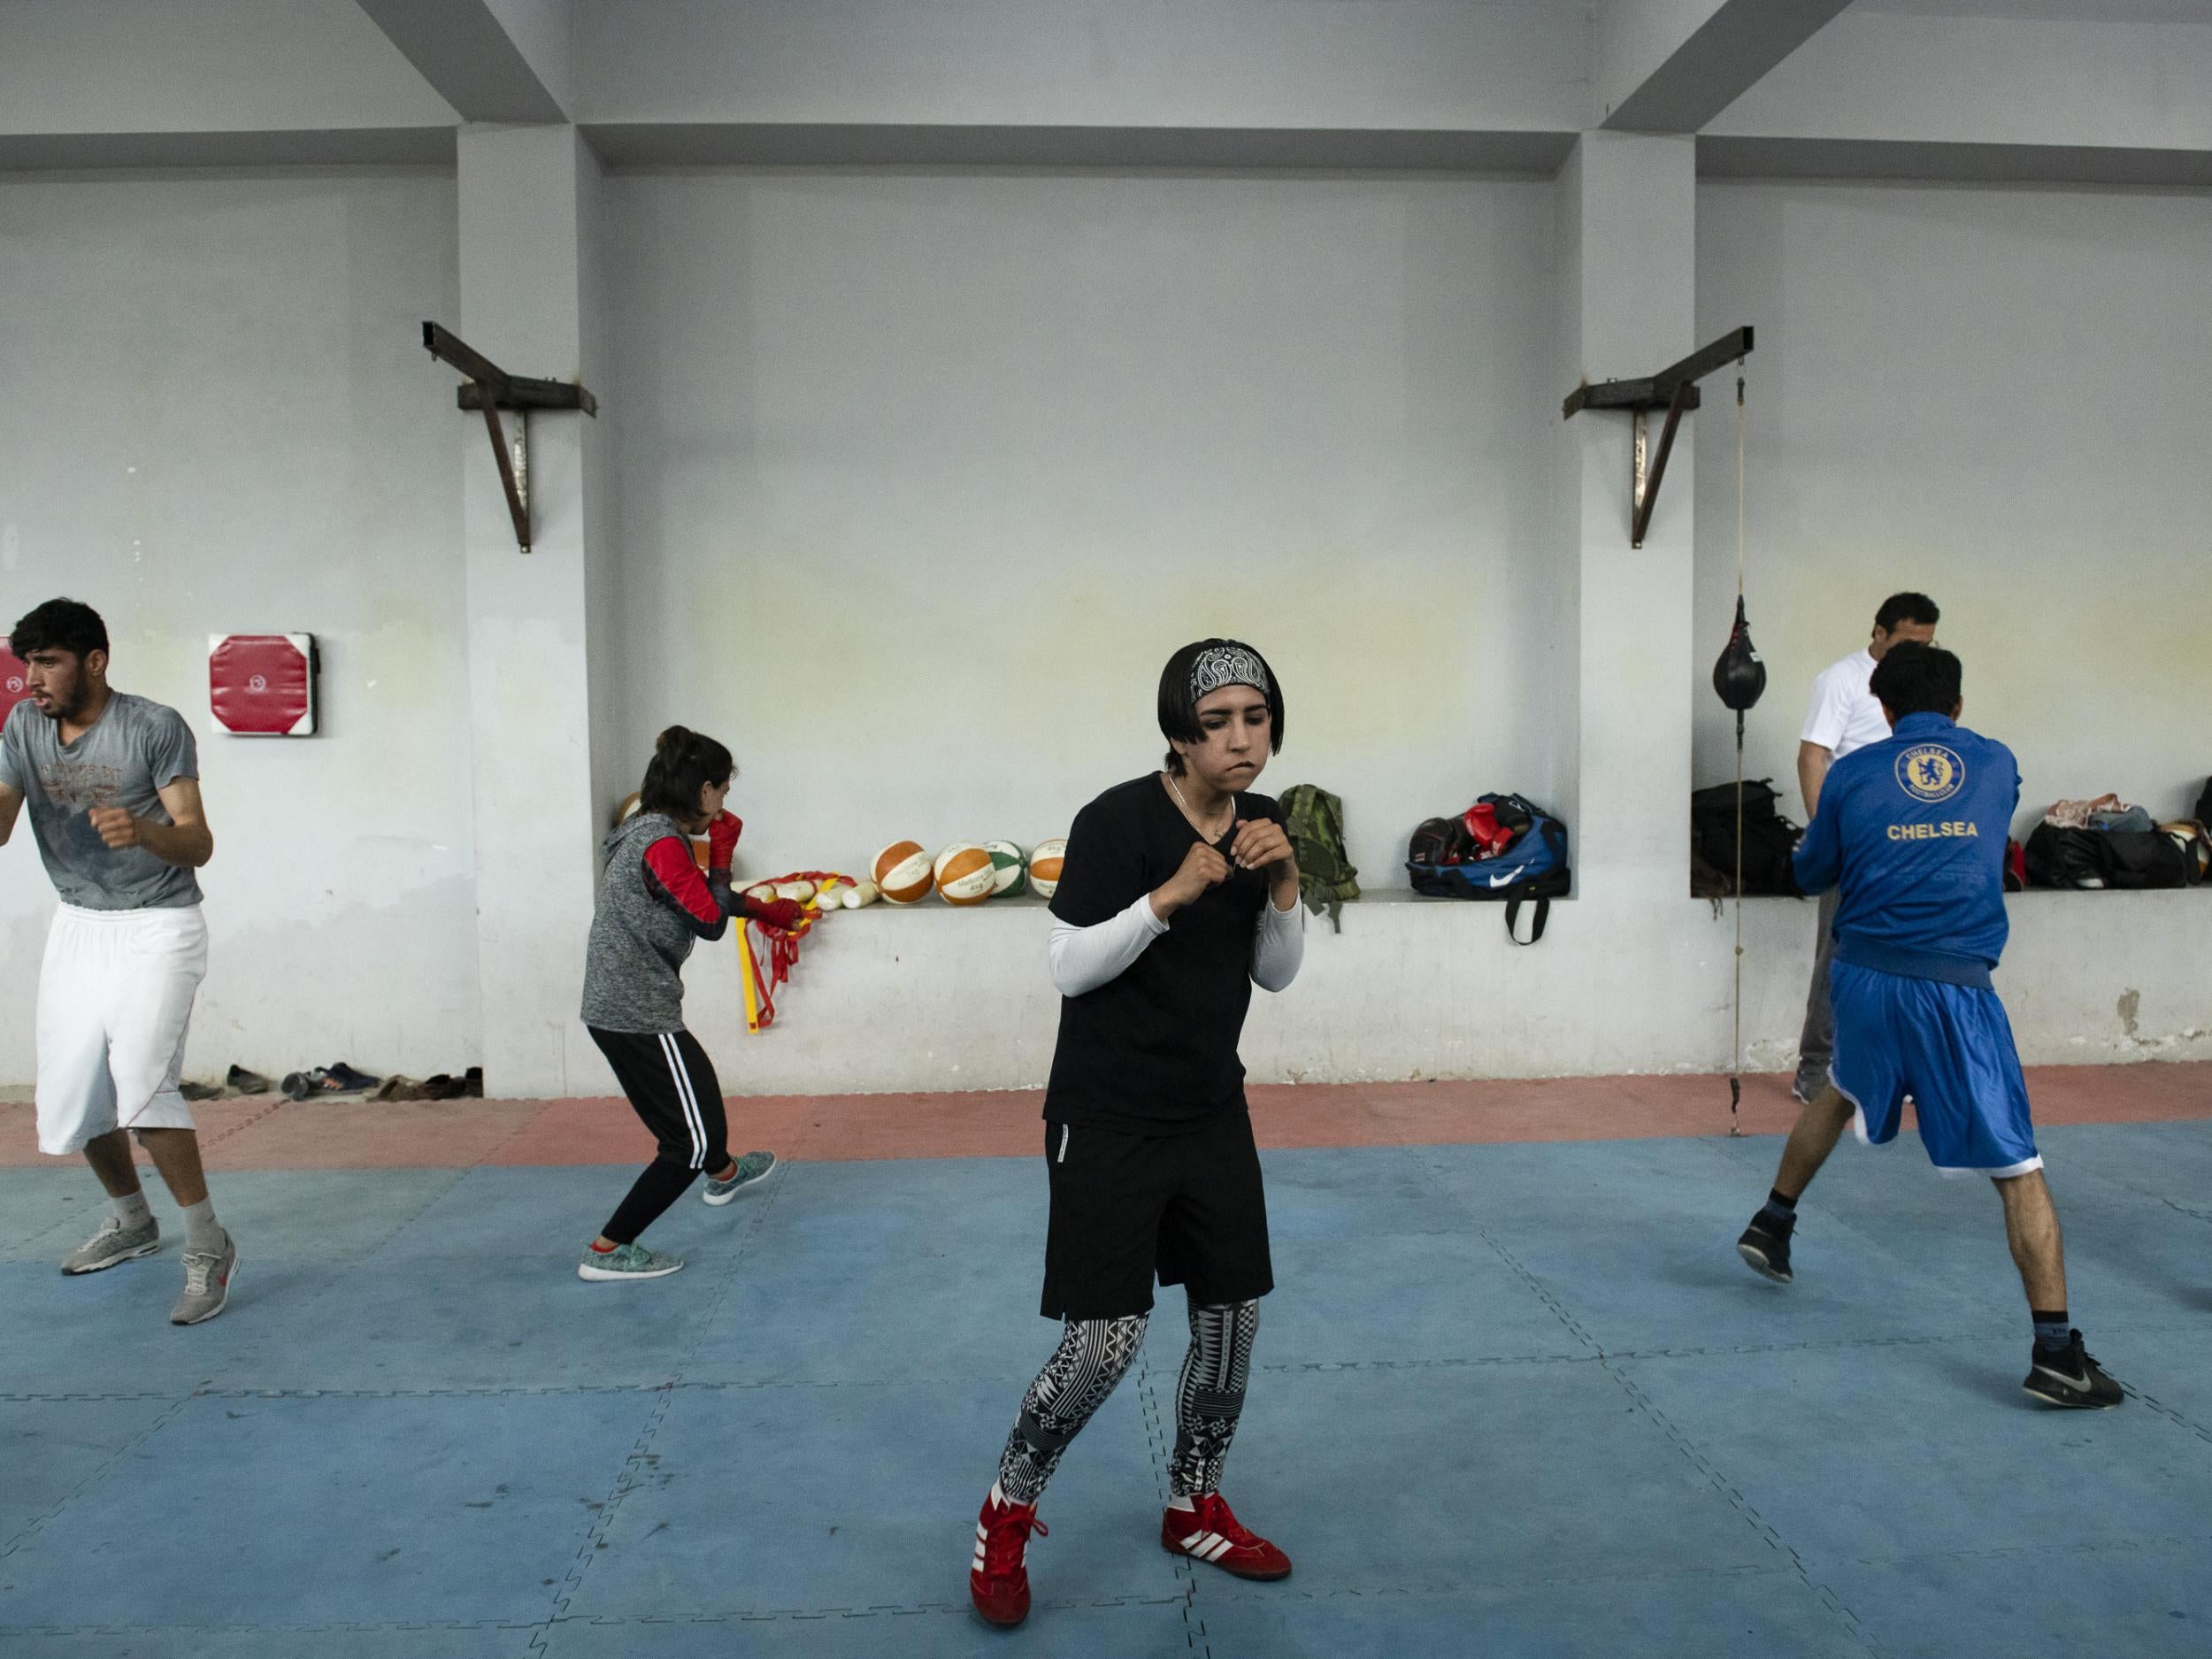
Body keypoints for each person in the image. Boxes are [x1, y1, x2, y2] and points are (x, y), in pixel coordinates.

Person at [969, 639, 1307, 1630]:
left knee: (1230, 1319)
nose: (1242, 740)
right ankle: (1006, 1511)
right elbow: (1067, 966)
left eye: (1256, 718)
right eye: (1218, 724)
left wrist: (1283, 885)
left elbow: (1277, 974)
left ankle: (1192, 1505)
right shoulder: (1115, 821)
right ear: (1177, 734)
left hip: (1210, 1111)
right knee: (1105, 1343)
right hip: (1107, 1116)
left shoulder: (1266, 826)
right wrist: (1167, 899)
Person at [1737, 642, 2122, 1409]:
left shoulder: (1851, 773)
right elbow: (1971, 825)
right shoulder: (1996, 761)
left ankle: (1772, 1221)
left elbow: (1813, 872)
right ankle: (2055, 1354)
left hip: (1866, 978)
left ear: (1880, 710)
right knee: (2018, 1168)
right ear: (1958, 705)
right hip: (1953, 987)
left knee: (1843, 1083)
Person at [0, 598, 234, 1325]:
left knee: (141, 1085)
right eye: (26, 663)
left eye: (48, 662)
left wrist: (143, 831)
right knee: (74, 1092)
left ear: (94, 661)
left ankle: (209, 1242)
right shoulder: (21, 727)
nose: (32, 678)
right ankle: (133, 1218)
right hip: (79, 924)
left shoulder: (152, 726)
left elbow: (198, 842)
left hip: (160, 924)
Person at [575, 726, 803, 1282]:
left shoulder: (647, 833)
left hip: (619, 1007)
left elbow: (694, 898)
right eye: (722, 791)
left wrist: (764, 910)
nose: (724, 802)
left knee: (695, 1106)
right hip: (636, 1011)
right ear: (702, 790)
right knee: (690, 1140)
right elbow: (708, 920)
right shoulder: (661, 843)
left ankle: (724, 1174)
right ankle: (608, 1249)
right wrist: (723, 856)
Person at [1792, 592, 1941, 1103]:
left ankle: (1891, 1067)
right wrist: (1823, 832)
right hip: (1855, 840)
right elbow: (1813, 755)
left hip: (1908, 843)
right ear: (1878, 633)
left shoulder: (1920, 684)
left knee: (1904, 954)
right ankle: (1815, 1067)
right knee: (1836, 955)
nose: (1917, 652)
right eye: (1907, 641)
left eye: (1927, 643)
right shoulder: (1843, 680)